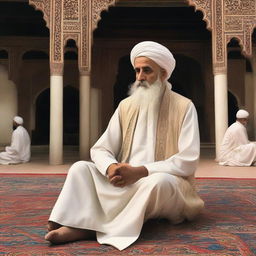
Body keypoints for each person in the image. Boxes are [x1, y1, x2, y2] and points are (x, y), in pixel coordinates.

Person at [45, 41, 204, 250]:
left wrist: (140, 171)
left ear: (164, 73)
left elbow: (188, 161)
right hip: (124, 180)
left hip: (158, 182)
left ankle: (87, 229)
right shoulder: (126, 106)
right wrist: (111, 168)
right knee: (80, 168)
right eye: (137, 70)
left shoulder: (184, 107)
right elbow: (101, 149)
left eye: (147, 70)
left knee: (159, 183)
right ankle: (71, 218)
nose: (139, 77)